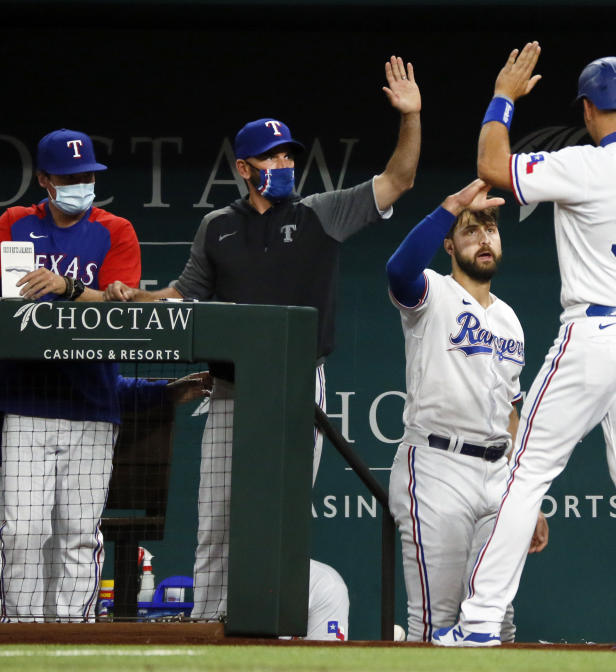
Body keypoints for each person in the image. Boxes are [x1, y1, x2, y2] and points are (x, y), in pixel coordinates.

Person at [104, 56, 422, 621]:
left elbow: (399, 179)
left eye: (287, 155)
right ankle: (204, 634)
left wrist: (410, 117)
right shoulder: (217, 226)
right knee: (215, 526)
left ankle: (269, 633)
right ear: (244, 168)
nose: (282, 163)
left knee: (277, 522)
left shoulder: (324, 213)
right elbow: (186, 292)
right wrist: (138, 297)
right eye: (271, 157)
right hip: (229, 394)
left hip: (297, 391)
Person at [432, 45, 616, 650]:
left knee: (526, 472)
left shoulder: (582, 163)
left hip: (599, 333)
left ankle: (478, 620)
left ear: (587, 109)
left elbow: (491, 165)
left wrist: (503, 94)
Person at [0, 129, 205, 621]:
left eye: (88, 175)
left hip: (92, 401)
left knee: (77, 532)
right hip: (25, 401)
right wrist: (78, 293)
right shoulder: (13, 223)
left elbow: (120, 308)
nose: (81, 184)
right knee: (21, 530)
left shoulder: (115, 229)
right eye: (70, 177)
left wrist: (66, 287)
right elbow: (11, 302)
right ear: (46, 179)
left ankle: (74, 633)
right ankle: (22, 631)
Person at [385, 179, 549, 642]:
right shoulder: (431, 294)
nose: (483, 238)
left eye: (490, 230)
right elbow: (398, 269)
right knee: (436, 622)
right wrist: (450, 206)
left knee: (495, 620)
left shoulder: (510, 319)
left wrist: (525, 495)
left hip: (499, 473)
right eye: (470, 230)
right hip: (438, 466)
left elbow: (511, 411)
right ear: (449, 245)